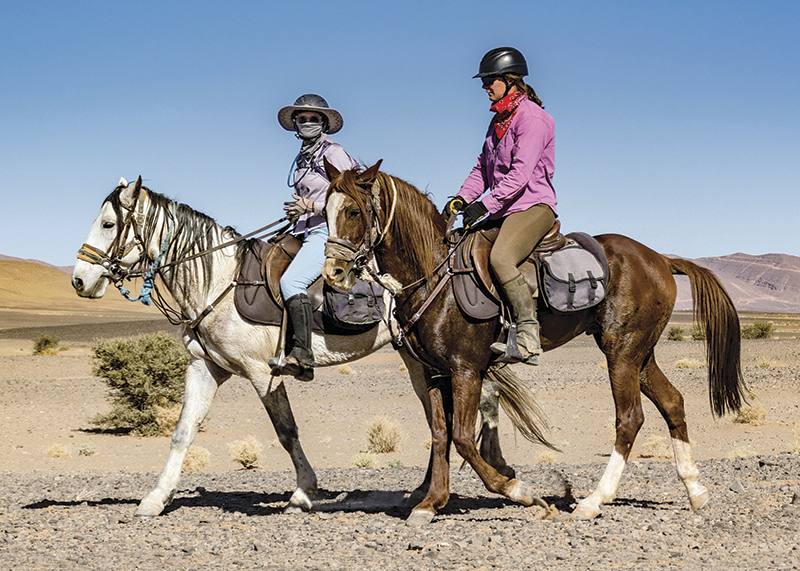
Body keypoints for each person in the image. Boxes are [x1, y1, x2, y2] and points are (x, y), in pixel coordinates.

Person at [443, 47, 557, 366]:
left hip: (533, 206)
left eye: (489, 80)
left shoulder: (532, 118)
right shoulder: (498, 121)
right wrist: (462, 198)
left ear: (510, 80)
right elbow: (482, 168)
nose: (484, 87)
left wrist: (484, 205)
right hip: (504, 208)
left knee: (502, 258)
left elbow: (520, 176)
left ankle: (528, 337)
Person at [270, 94, 358, 381]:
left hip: (328, 231)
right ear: (296, 123)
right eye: (302, 118)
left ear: (324, 124)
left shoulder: (333, 153)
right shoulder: (302, 158)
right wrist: (298, 213)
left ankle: (304, 357)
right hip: (305, 229)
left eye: (314, 118)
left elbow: (353, 199)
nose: (307, 122)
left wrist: (312, 207)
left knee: (291, 281)